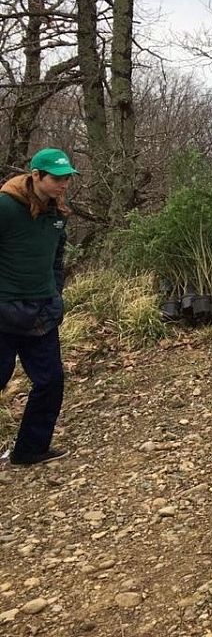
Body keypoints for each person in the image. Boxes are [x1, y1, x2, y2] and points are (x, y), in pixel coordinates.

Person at [0, 148, 78, 466]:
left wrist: (54, 292)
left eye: (67, 178)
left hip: (42, 310)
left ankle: (30, 450)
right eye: (58, 178)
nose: (64, 185)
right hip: (4, 310)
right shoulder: (5, 206)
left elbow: (57, 258)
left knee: (50, 381)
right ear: (36, 176)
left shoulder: (58, 213)